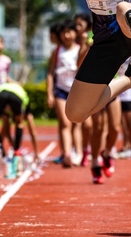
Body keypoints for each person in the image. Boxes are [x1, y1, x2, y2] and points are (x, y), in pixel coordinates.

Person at [46, 19, 83, 168]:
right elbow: (50, 73)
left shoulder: (80, 49)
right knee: (65, 123)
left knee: (77, 123)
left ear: (75, 33)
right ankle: (67, 154)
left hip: (77, 91)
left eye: (69, 32)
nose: (67, 35)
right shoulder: (56, 52)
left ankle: (79, 153)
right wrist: (49, 93)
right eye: (63, 32)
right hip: (60, 90)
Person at [74, 13, 94, 166]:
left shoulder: (96, 35)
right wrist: (85, 46)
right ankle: (81, 150)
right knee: (82, 123)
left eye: (80, 24)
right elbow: (78, 63)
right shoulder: (75, 40)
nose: (77, 27)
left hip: (97, 83)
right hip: (81, 85)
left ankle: (93, 151)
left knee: (96, 125)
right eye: (76, 24)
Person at [0, 82, 30, 154]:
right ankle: (17, 150)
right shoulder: (23, 94)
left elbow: (7, 130)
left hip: (1, 95)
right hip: (17, 96)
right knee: (19, 124)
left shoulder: (5, 87)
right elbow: (20, 119)